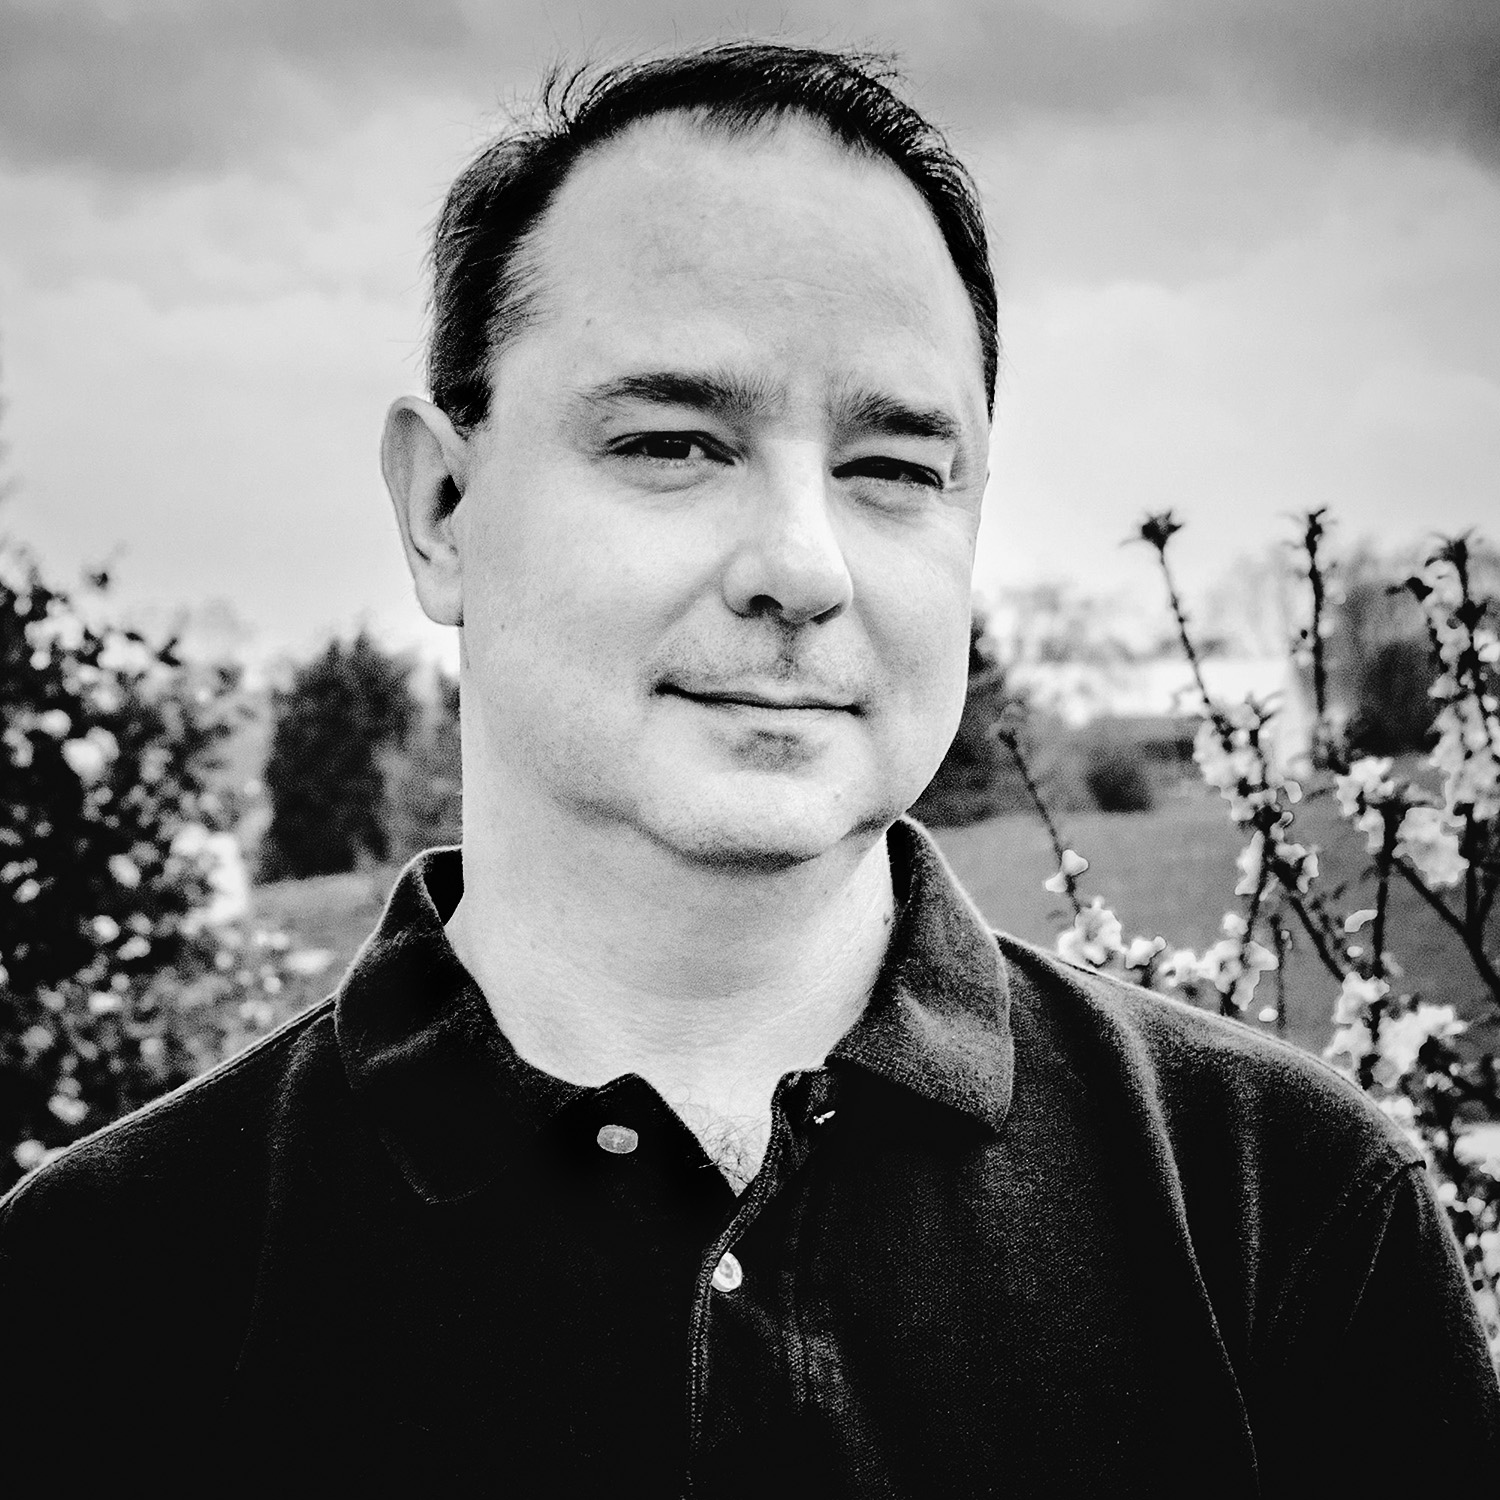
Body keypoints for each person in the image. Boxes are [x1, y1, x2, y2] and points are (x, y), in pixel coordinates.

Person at [1, 41, 1496, 1497]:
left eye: (894, 468)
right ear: (442, 507)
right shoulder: (96, 1289)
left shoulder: (1293, 1213)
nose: (802, 565)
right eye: (673, 442)